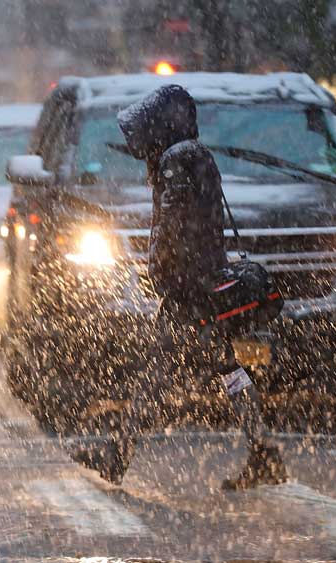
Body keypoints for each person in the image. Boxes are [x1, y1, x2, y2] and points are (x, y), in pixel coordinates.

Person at [71, 85, 288, 490]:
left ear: (161, 124)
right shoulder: (193, 154)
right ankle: (263, 451)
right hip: (205, 282)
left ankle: (120, 453)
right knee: (227, 369)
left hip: (189, 291)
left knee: (158, 373)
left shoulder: (176, 160)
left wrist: (169, 276)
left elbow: (173, 228)